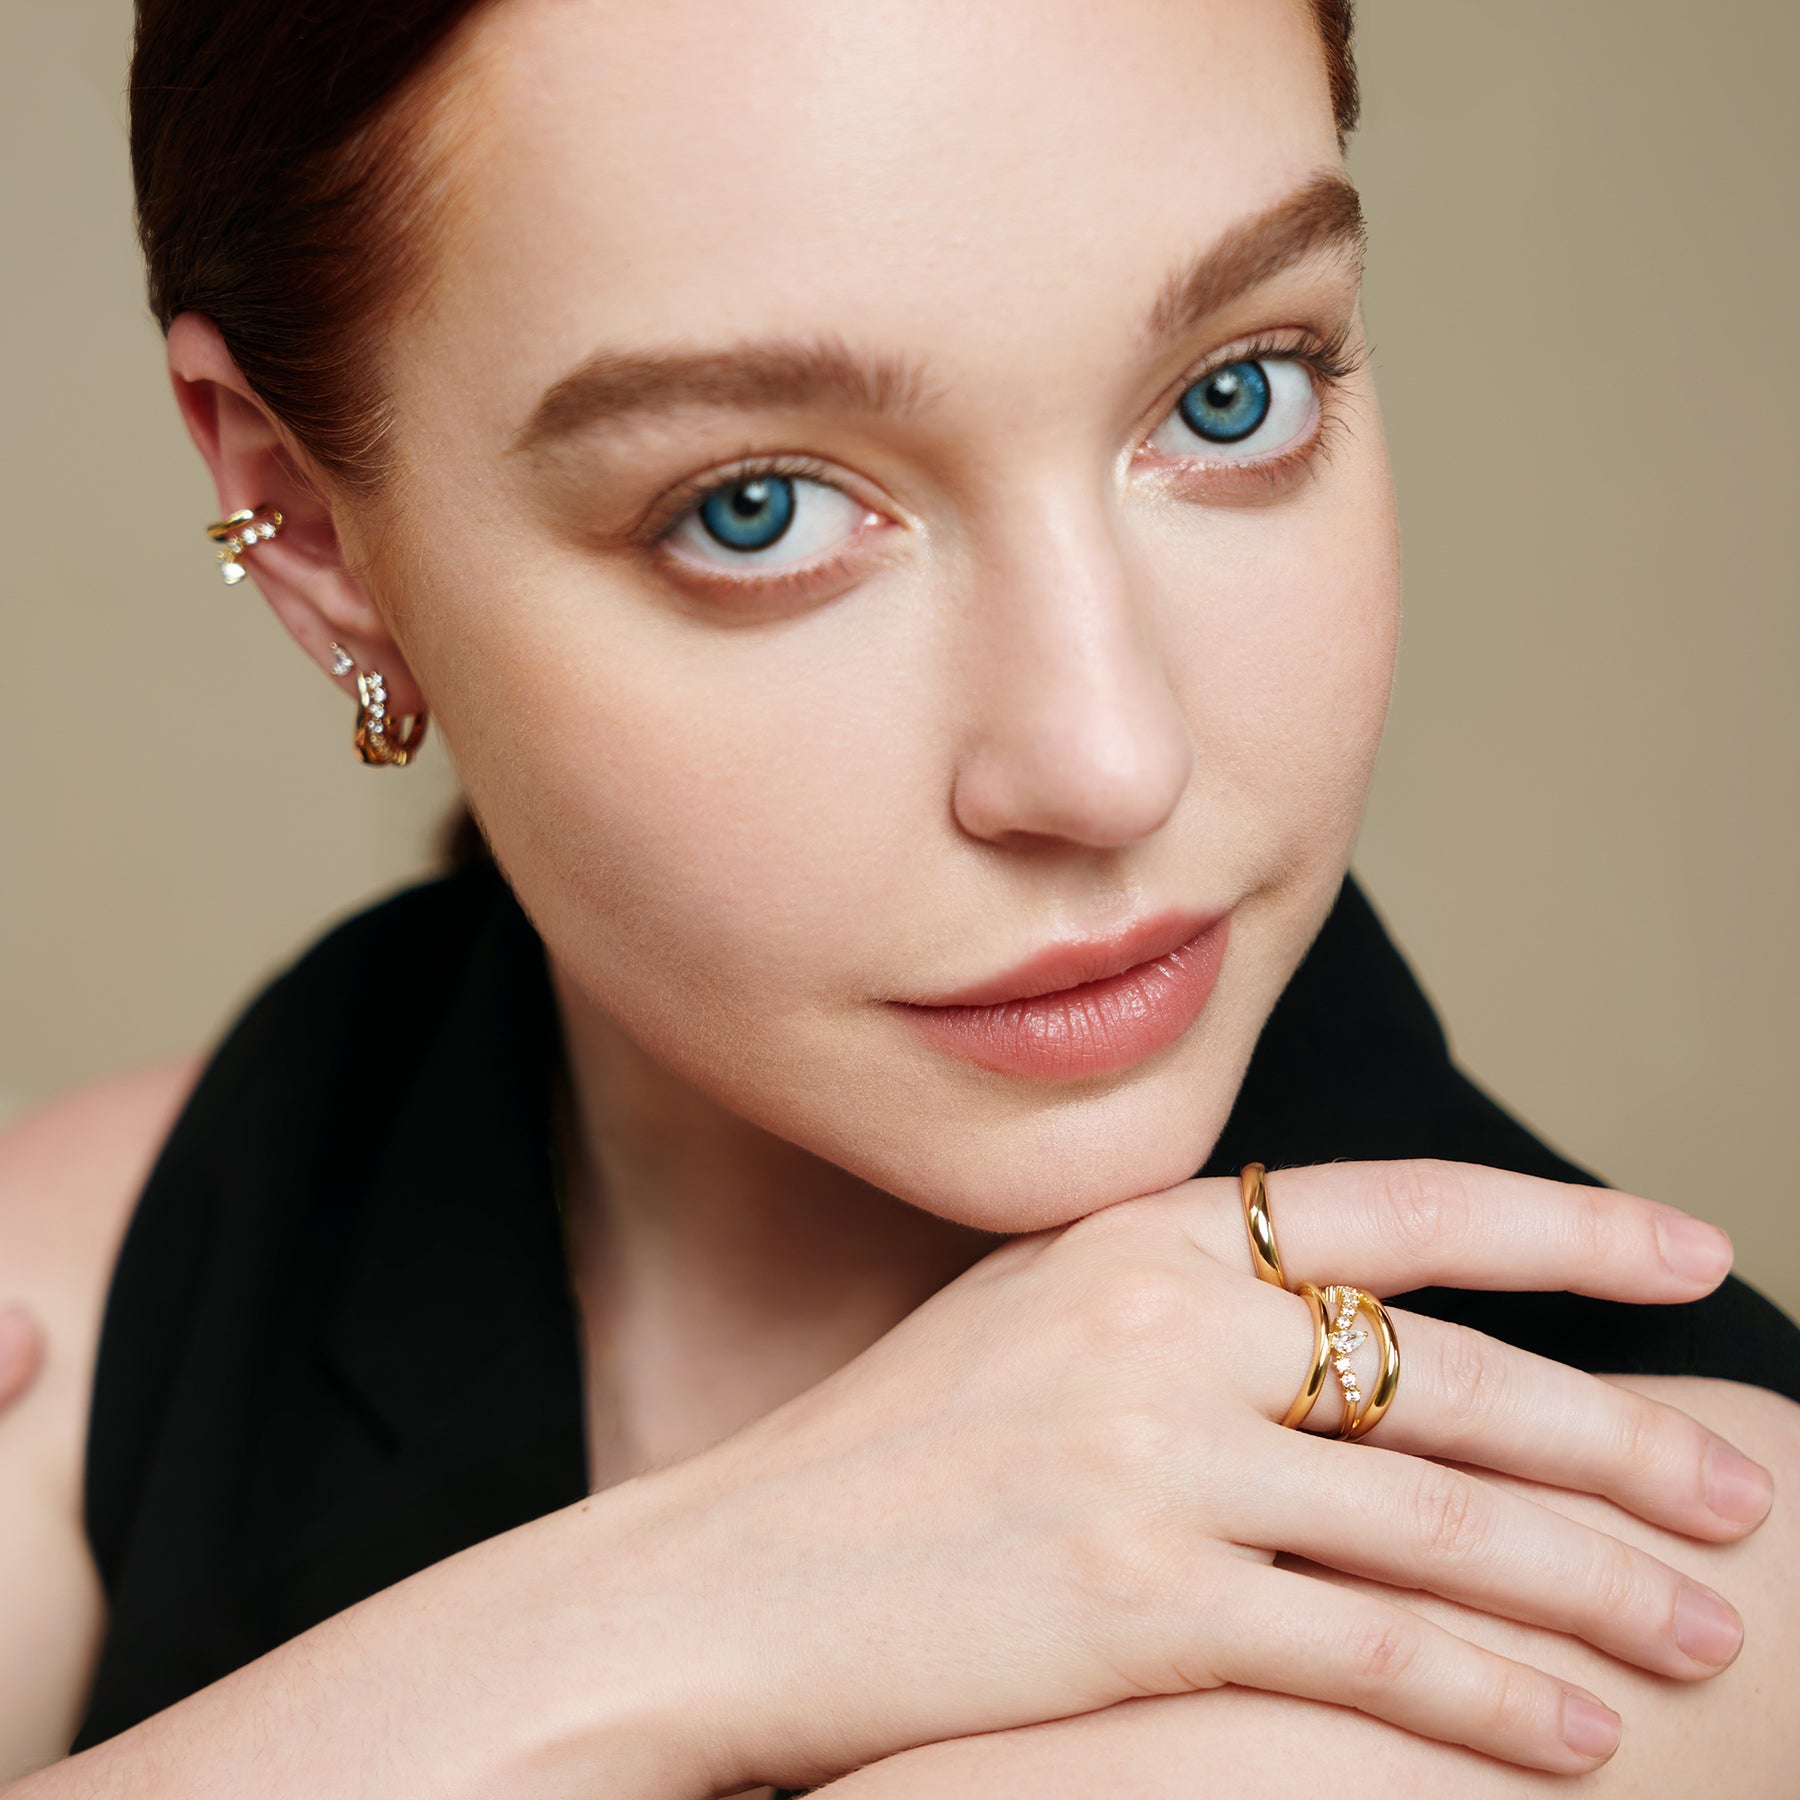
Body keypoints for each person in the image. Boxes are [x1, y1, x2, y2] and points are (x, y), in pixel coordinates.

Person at [2, 1, 1797, 1794]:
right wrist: (709, 1594)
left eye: (1234, 391)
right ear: (314, 531)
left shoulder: (1676, 1571)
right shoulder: (112, 1269)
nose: (1108, 760)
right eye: (760, 507)